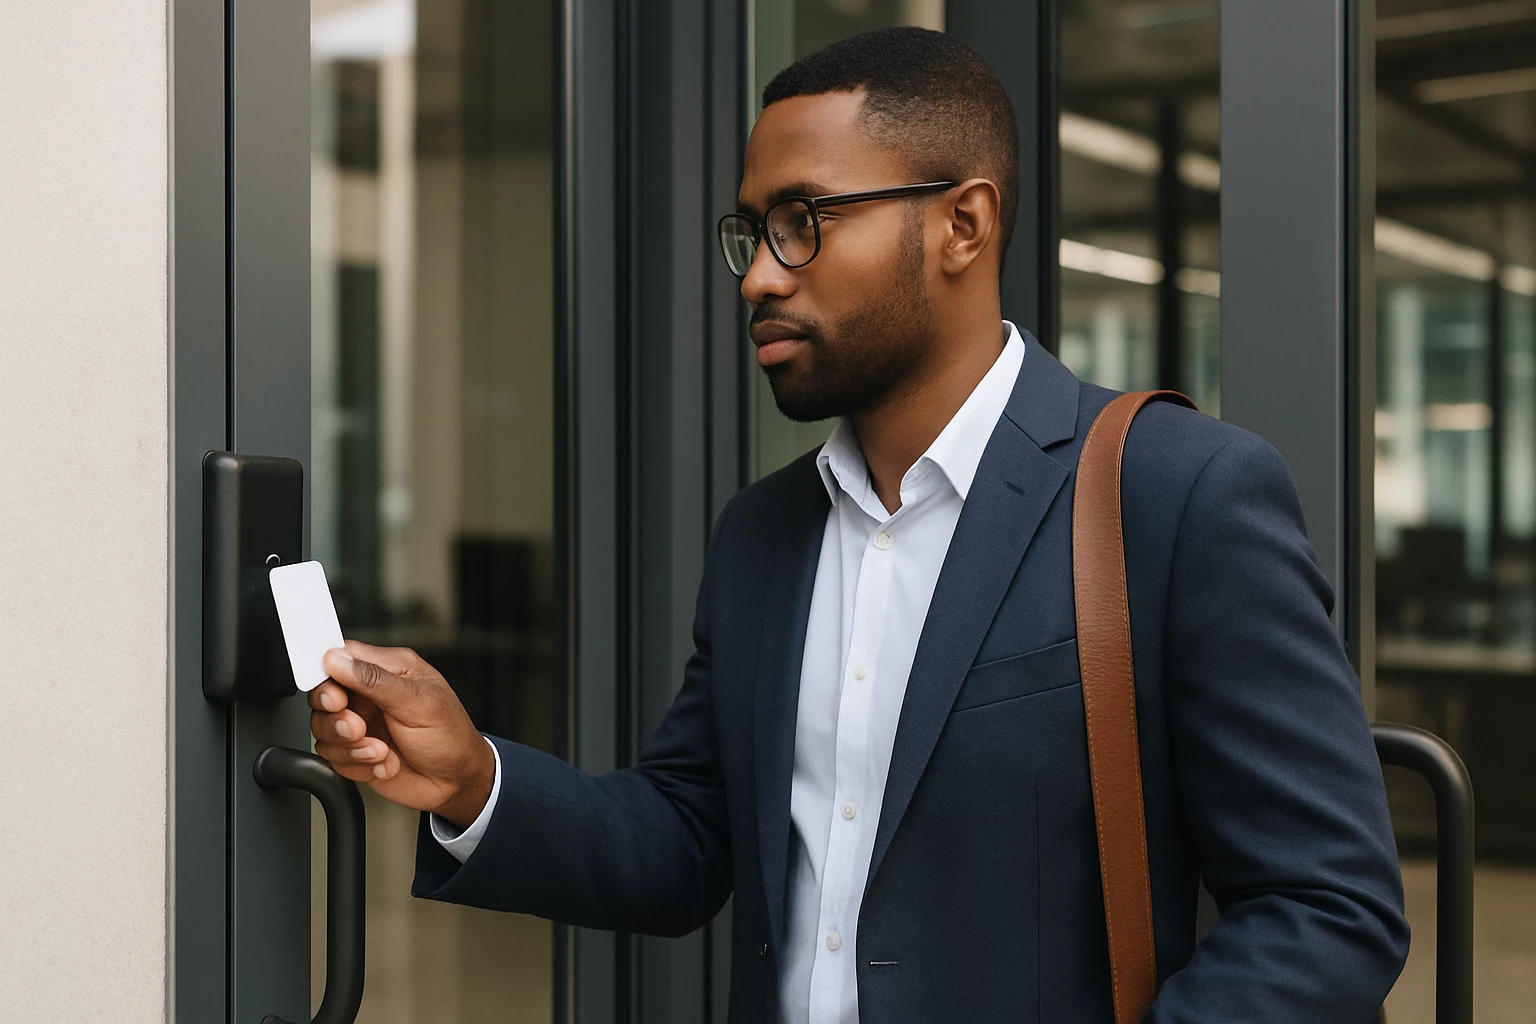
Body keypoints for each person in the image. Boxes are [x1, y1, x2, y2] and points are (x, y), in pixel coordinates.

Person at [308, 27, 1409, 1023]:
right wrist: (471, 781)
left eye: (804, 222)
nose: (759, 277)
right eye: (752, 232)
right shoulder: (763, 534)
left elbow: (1329, 905)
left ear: (961, 225)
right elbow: (689, 839)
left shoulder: (1179, 495)